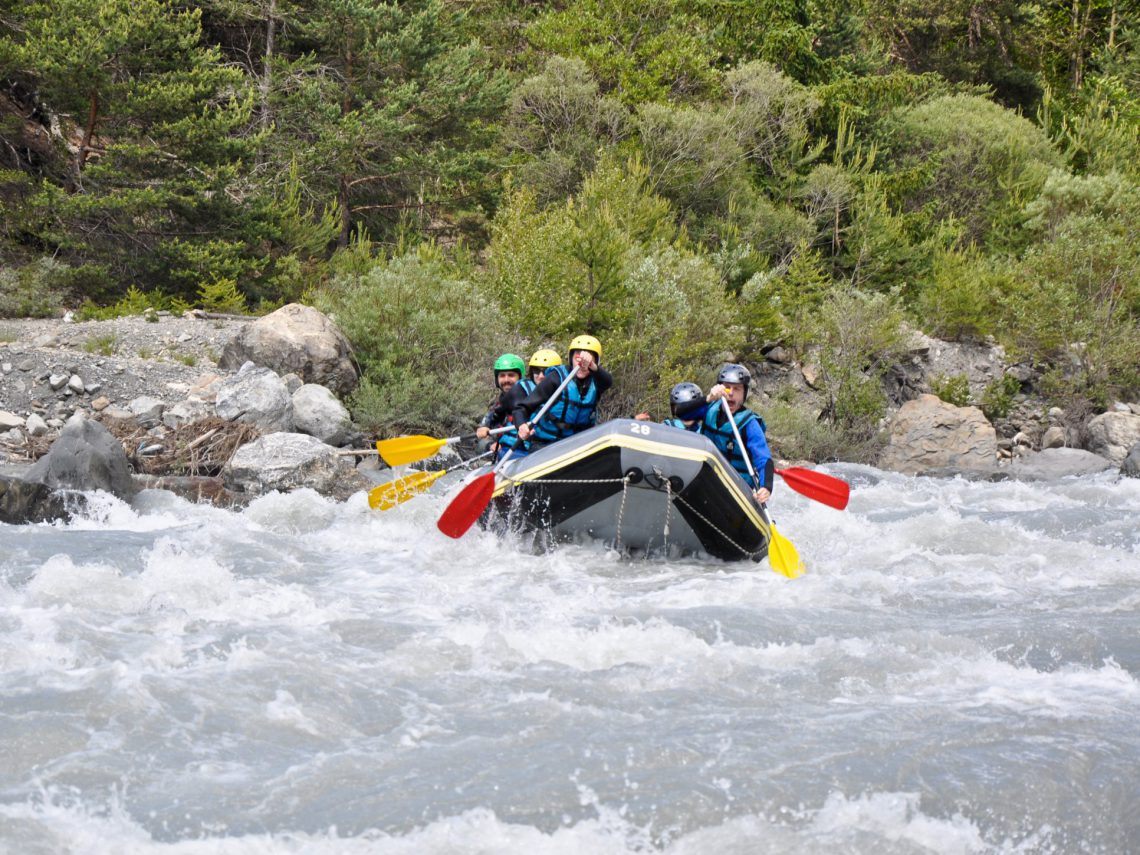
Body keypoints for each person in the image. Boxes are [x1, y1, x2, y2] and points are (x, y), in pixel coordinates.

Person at [515, 334, 612, 448]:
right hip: (546, 443)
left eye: (587, 361)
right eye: (577, 358)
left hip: (576, 445)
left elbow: (608, 382)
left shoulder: (597, 381)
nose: (581, 364)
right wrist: (521, 425)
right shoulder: (556, 377)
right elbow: (522, 408)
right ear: (571, 359)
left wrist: (591, 365)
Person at [701, 364, 774, 504]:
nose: (731, 393)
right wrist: (709, 397)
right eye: (727, 387)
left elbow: (764, 459)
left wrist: (766, 487)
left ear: (744, 393)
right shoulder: (708, 408)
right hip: (707, 478)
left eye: (737, 389)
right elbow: (682, 412)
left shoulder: (750, 424)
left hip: (736, 487)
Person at [475, 353, 525, 458]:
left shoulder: (532, 399)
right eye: (502, 375)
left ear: (520, 377)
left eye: (511, 375)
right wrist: (489, 445)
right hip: (505, 456)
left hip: (529, 454)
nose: (506, 380)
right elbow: (478, 443)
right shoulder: (496, 406)